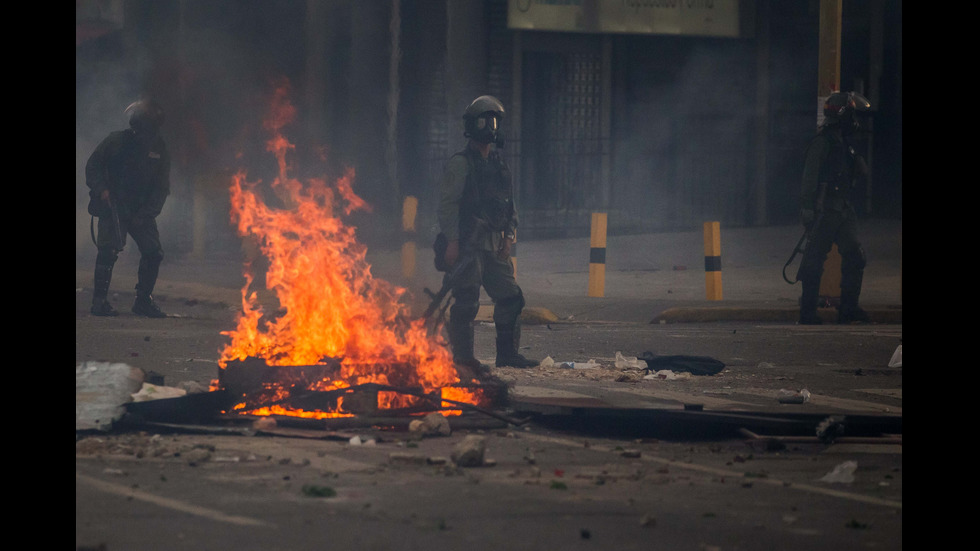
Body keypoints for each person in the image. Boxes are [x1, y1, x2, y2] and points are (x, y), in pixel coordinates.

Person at [437, 95, 539, 374]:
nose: (490, 127)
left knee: (510, 297)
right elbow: (448, 205)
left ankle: (508, 355)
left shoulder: (498, 164)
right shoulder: (461, 163)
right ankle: (463, 358)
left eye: (494, 121)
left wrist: (509, 236)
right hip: (469, 243)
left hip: (494, 244)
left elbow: (508, 203)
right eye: (485, 120)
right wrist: (453, 242)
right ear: (473, 125)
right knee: (467, 299)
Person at [85, 97, 171, 318]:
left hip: (141, 210)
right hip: (113, 204)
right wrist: (102, 189)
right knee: (108, 251)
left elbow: (161, 187)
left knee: (153, 253)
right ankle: (99, 302)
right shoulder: (116, 141)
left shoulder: (159, 148)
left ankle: (143, 302)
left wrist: (146, 214)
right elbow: (93, 166)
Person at [797, 91, 872, 325]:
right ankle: (808, 312)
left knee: (855, 257)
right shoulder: (823, 142)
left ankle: (848, 310)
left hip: (843, 210)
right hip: (826, 210)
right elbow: (809, 180)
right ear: (843, 115)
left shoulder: (844, 142)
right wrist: (807, 211)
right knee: (814, 259)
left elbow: (858, 172)